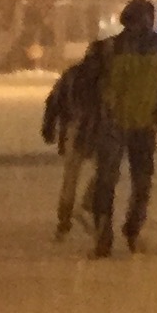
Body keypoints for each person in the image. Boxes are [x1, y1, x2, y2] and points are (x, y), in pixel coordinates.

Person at [81, 0, 157, 258]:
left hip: (135, 123)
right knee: (125, 181)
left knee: (124, 182)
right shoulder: (122, 48)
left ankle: (120, 233)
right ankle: (117, 234)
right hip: (128, 122)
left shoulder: (116, 48)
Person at [41, 31, 109, 239]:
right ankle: (86, 204)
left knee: (71, 176)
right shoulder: (107, 76)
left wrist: (49, 126)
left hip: (74, 127)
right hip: (99, 128)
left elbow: (54, 101)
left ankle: (64, 220)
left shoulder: (72, 74)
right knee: (104, 172)